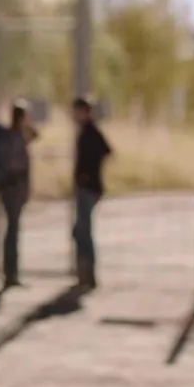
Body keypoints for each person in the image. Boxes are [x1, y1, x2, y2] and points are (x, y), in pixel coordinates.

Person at [71, 96, 111, 289]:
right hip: (86, 186)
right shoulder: (86, 132)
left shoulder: (91, 132)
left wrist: (88, 173)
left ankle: (88, 275)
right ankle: (84, 273)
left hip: (88, 187)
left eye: (77, 111)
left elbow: (105, 151)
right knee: (80, 230)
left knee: (83, 231)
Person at [0, 100, 38, 288]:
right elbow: (15, 165)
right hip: (13, 190)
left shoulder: (14, 135)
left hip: (12, 189)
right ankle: (10, 273)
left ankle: (11, 272)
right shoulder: (14, 138)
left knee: (13, 230)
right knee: (12, 231)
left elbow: (36, 135)